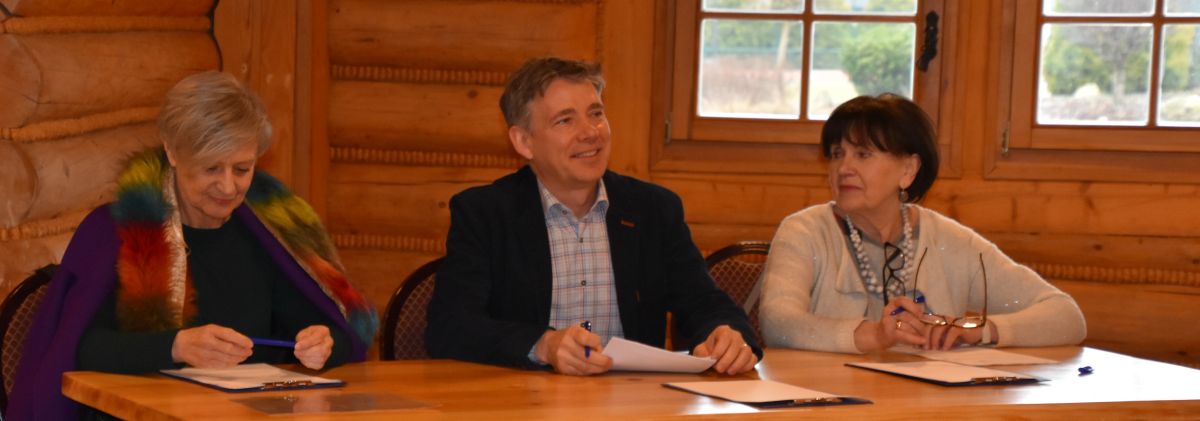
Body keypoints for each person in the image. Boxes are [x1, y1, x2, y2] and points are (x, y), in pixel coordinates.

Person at [7, 71, 378, 420]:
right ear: (173, 152)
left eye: (242, 169)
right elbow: (82, 348)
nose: (229, 187)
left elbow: (335, 329)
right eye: (211, 169)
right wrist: (176, 346)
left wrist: (322, 343)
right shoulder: (118, 230)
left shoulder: (271, 229)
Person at [426, 57, 761, 376]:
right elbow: (451, 327)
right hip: (525, 399)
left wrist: (725, 333)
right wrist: (543, 345)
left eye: (596, 114)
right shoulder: (485, 213)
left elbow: (704, 302)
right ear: (524, 141)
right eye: (565, 120)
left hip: (635, 401)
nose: (590, 132)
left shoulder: (653, 209)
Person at [759, 94, 1086, 354]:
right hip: (830, 402)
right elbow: (778, 322)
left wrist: (978, 330)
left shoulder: (950, 241)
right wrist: (873, 335)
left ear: (908, 170)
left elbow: (1064, 314)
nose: (844, 167)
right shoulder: (804, 232)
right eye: (836, 153)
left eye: (862, 154)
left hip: (928, 404)